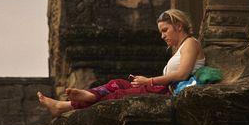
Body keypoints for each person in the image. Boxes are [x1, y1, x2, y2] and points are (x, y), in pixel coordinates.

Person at [37, 9, 205, 117]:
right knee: (117, 84)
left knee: (117, 95)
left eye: (165, 30)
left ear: (179, 26)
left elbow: (182, 74)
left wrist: (149, 81)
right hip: (162, 88)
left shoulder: (191, 43)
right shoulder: (181, 48)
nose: (162, 36)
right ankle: (83, 98)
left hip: (168, 92)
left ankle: (66, 105)